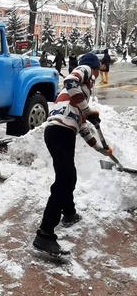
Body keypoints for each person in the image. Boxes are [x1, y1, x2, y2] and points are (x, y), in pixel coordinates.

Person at [32, 53, 113, 256]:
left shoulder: (77, 97)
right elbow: (70, 79)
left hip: (61, 133)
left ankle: (69, 213)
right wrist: (87, 109)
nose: (98, 74)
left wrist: (101, 149)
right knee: (65, 179)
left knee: (69, 176)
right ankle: (45, 234)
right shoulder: (85, 71)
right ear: (94, 68)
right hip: (59, 132)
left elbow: (83, 127)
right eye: (98, 69)